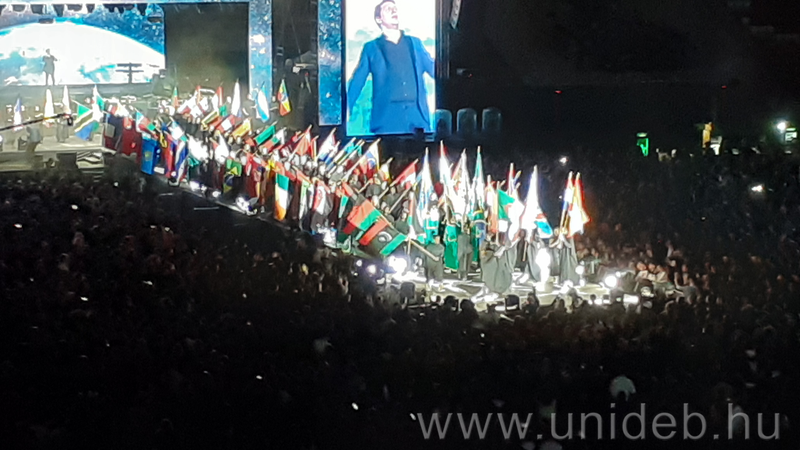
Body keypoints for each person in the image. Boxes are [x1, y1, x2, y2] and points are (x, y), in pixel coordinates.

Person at [347, 0, 435, 135]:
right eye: (388, 9)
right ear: (379, 19)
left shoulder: (415, 43)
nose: (394, 11)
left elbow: (435, 70)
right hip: (387, 122)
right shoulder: (371, 48)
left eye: (395, 8)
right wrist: (346, 109)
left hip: (417, 119)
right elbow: (358, 80)